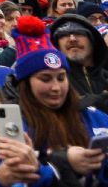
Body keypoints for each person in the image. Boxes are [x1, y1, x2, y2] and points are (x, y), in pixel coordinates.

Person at [8, 15, 108, 182]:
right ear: (26, 84)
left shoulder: (93, 116)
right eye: (45, 79)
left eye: (61, 78)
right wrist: (62, 162)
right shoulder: (13, 121)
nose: (56, 87)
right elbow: (13, 177)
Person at [48, 12, 108, 109]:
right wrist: (95, 101)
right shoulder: (54, 79)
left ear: (93, 41)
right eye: (64, 35)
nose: (72, 39)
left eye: (79, 33)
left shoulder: (105, 77)